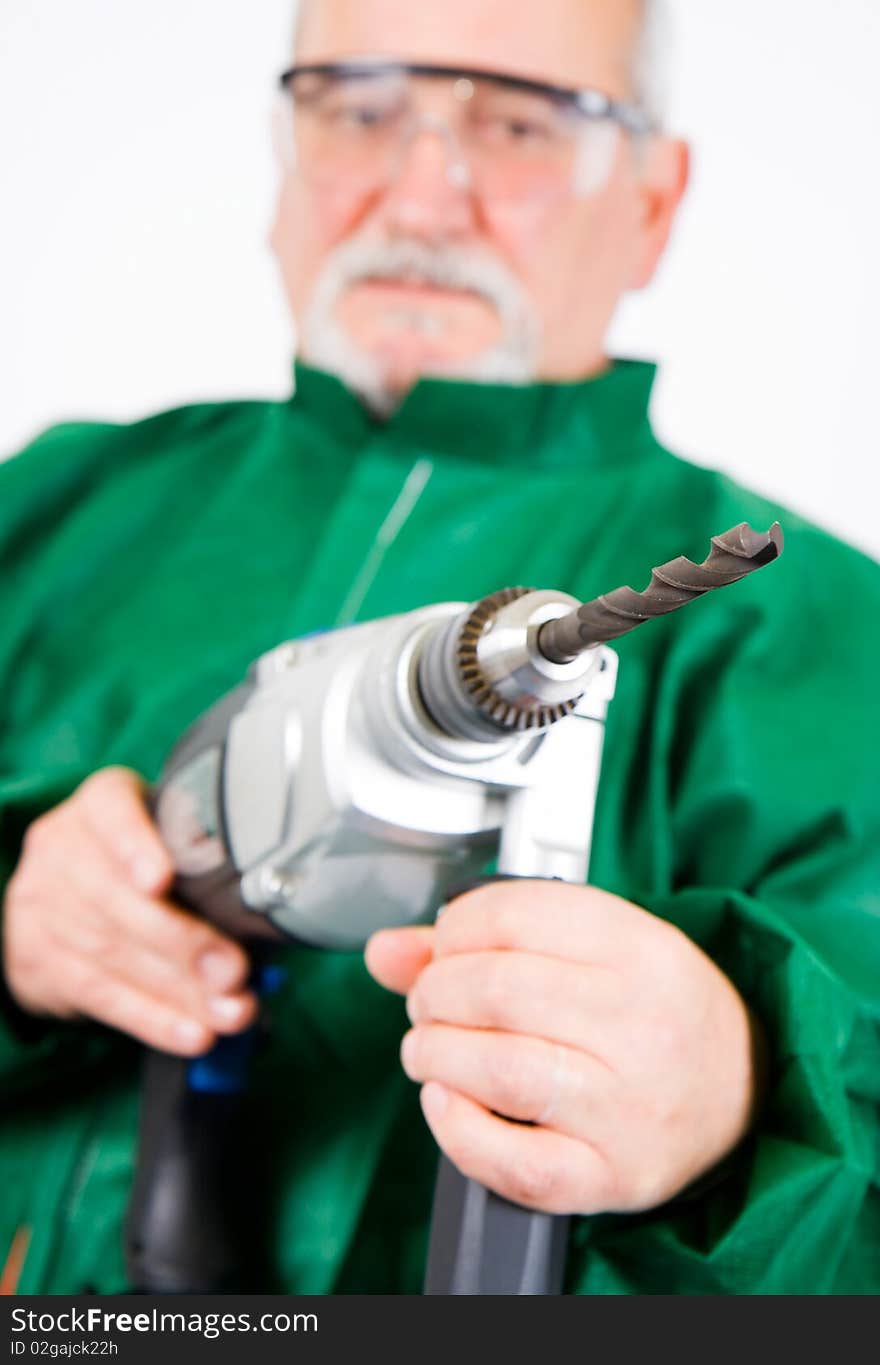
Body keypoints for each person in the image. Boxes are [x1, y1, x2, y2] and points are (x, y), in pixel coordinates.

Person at [0, 0, 877, 1295]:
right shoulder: (60, 506)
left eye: (518, 124)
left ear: (651, 197)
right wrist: (17, 918)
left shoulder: (823, 636)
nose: (423, 193)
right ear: (284, 155)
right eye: (360, 108)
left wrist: (748, 1094)